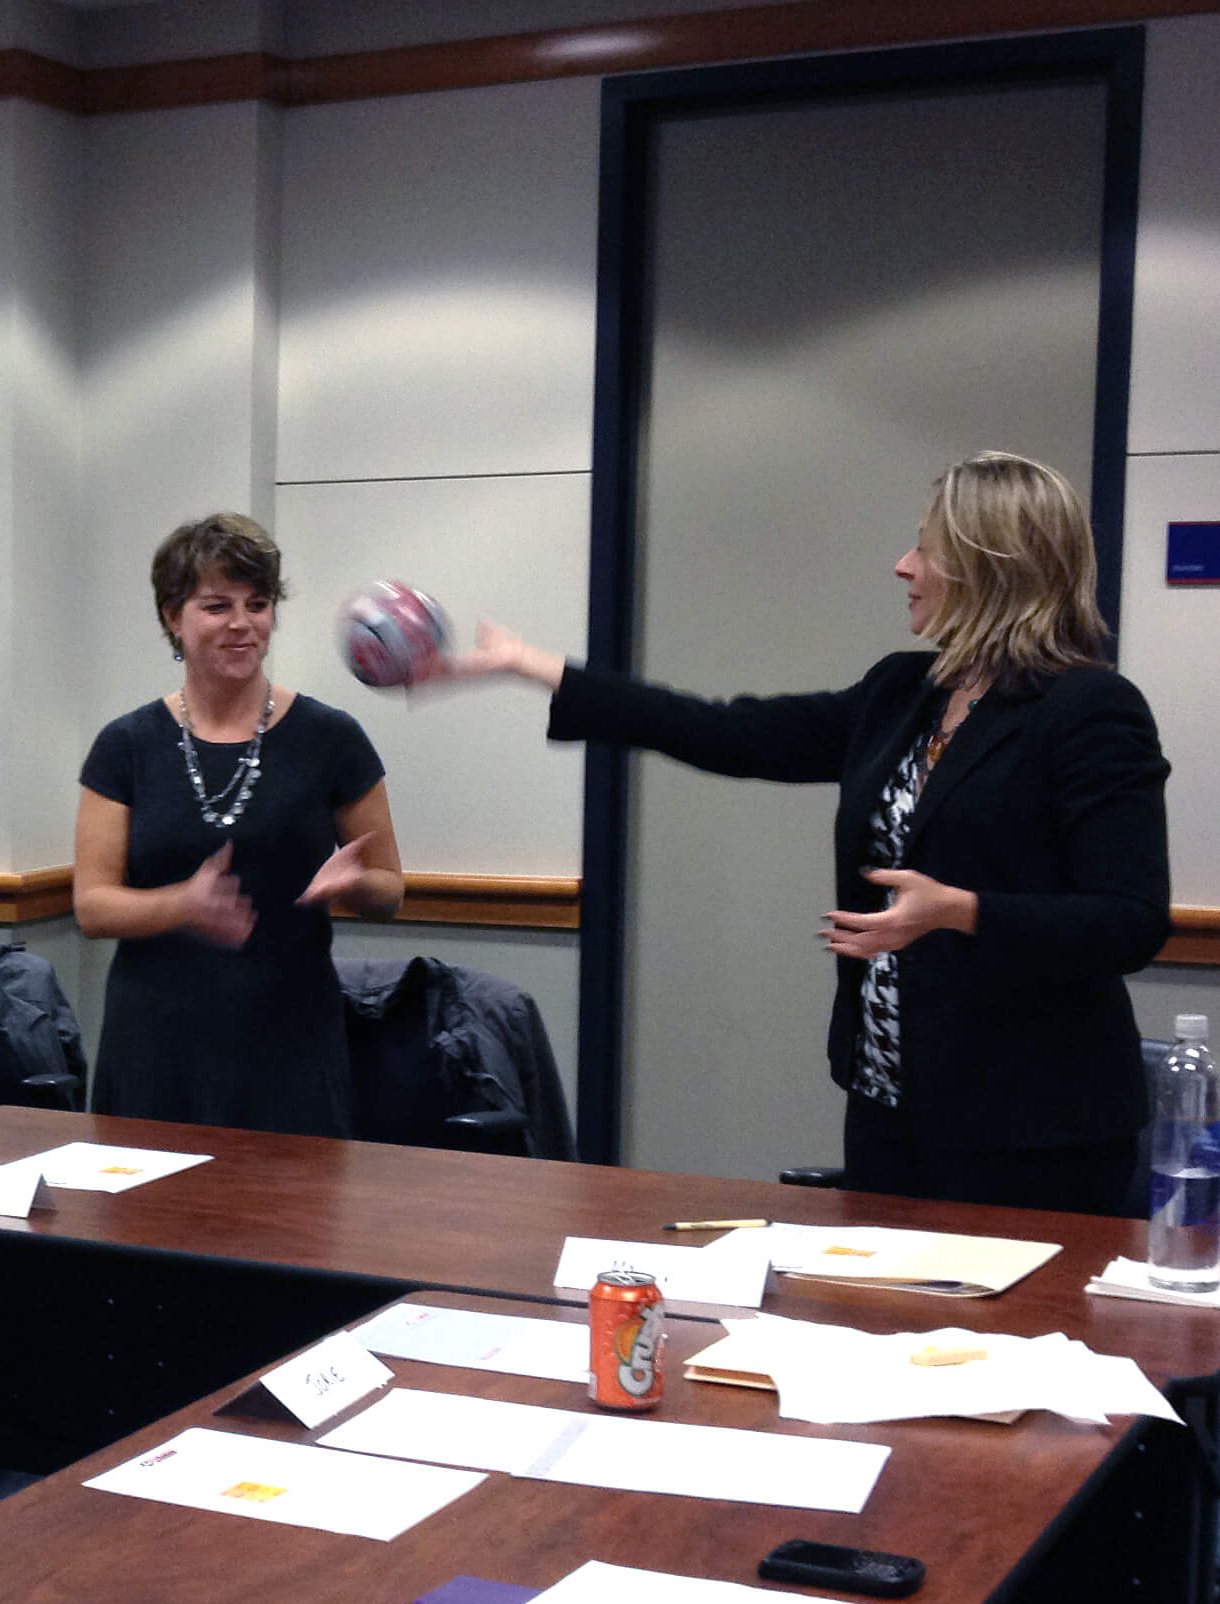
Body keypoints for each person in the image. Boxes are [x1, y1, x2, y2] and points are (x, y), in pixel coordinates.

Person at [456, 451, 1168, 1212]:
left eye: (926, 547)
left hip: (1037, 1127)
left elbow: (1130, 920)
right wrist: (543, 669)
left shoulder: (1090, 709)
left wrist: (962, 909)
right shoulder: (904, 692)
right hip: (890, 1104)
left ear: (990, 565)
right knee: (884, 1328)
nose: (903, 565)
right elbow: (732, 731)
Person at [73, 511, 404, 1136]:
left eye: (258, 604)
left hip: (291, 1046)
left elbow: (390, 887)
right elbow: (92, 907)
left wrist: (355, 884)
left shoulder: (332, 739)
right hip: (155, 1049)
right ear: (174, 616)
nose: (242, 625)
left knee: (288, 1229)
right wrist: (182, 904)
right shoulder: (125, 745)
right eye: (217, 606)